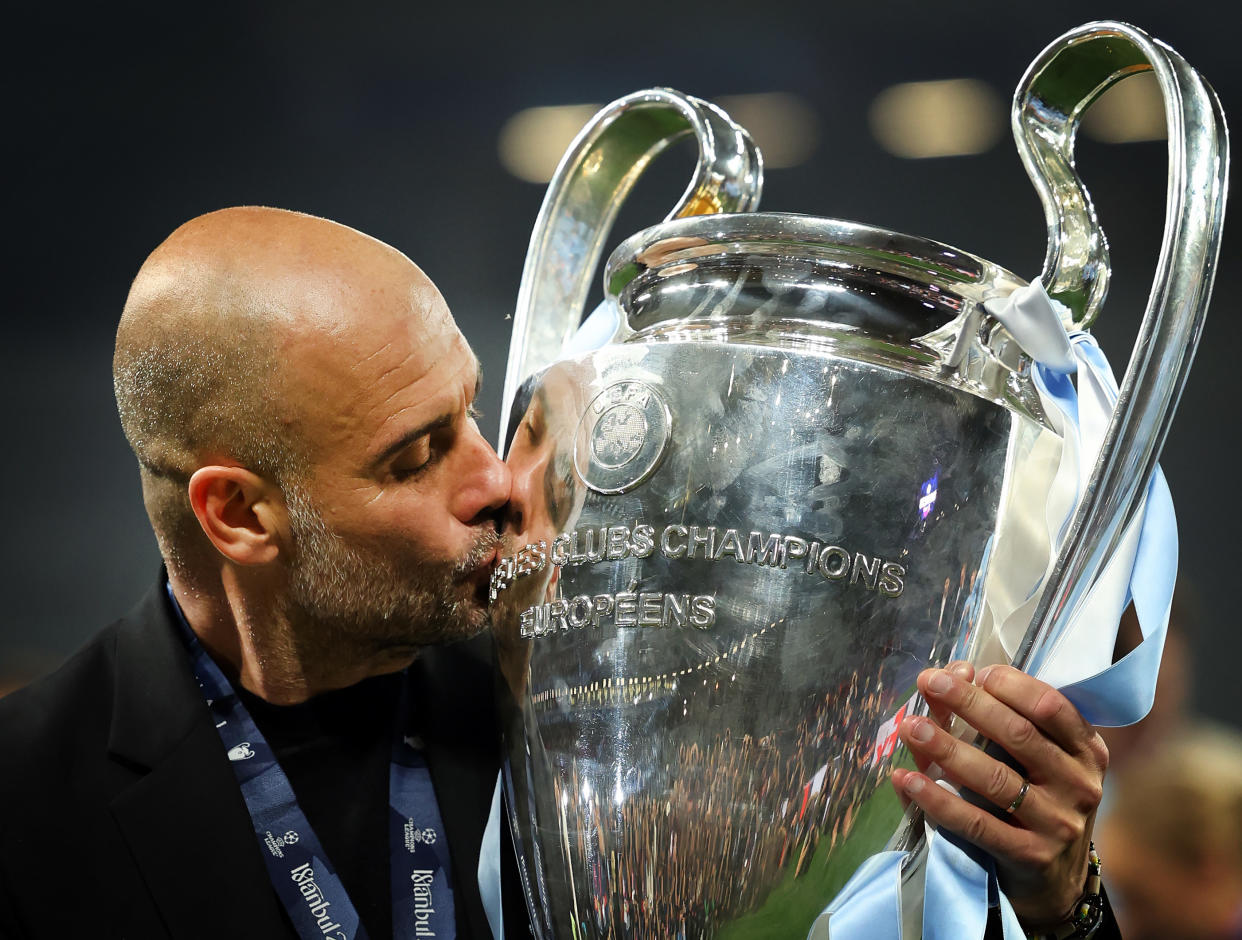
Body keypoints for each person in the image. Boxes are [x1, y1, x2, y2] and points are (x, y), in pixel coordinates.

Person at [0, 205, 1112, 939]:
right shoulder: (29, 807)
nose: (496, 476)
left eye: (472, 409)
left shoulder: (610, 698)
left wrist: (1064, 908)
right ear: (240, 514)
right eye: (418, 454)